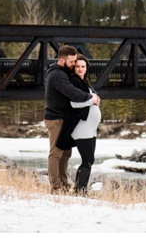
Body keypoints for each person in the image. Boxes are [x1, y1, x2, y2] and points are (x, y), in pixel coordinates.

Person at [44, 45, 99, 194]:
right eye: (72, 62)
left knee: (65, 154)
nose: (75, 65)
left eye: (77, 62)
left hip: (64, 120)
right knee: (55, 154)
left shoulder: (63, 73)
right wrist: (90, 98)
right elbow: (72, 93)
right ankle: (55, 187)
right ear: (62, 60)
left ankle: (63, 184)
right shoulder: (57, 75)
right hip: (55, 119)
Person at [56, 54, 102, 195]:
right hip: (82, 127)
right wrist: (92, 101)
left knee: (89, 160)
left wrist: (95, 99)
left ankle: (80, 189)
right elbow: (73, 103)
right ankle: (80, 191)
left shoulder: (84, 83)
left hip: (90, 128)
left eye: (83, 66)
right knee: (87, 160)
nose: (80, 69)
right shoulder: (74, 82)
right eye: (77, 66)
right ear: (73, 68)